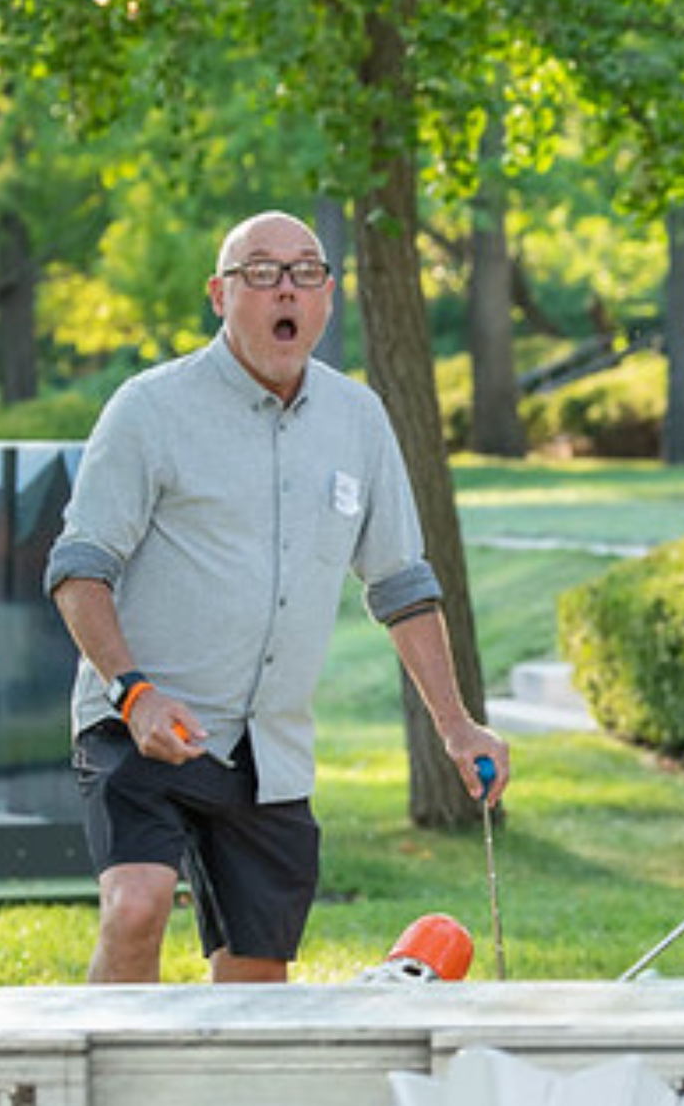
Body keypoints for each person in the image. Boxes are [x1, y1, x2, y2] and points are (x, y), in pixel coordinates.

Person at [45, 211, 510, 985]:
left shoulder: (359, 418)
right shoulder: (149, 408)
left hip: (269, 752)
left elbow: (401, 584)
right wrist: (135, 696)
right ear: (220, 295)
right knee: (136, 906)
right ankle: (108, 1103)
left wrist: (456, 727)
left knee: (256, 989)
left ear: (328, 296)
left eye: (305, 272)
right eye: (260, 273)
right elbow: (78, 568)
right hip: (143, 721)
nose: (284, 288)